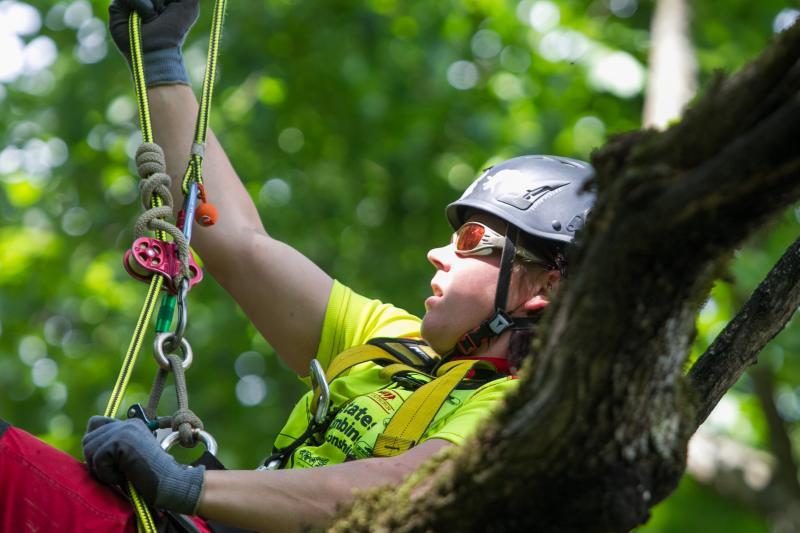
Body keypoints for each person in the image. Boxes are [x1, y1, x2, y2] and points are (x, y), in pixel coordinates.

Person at [0, 1, 595, 531]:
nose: (438, 253)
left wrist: (186, 486)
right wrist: (160, 62)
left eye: (471, 240)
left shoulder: (527, 416)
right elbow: (233, 239)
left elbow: (396, 490)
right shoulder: (389, 343)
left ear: (545, 283)